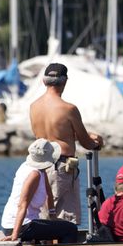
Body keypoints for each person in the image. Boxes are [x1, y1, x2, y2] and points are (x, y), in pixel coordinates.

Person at [30, 63, 103, 225]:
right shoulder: (68, 109)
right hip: (62, 168)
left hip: (39, 166)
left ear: (44, 82)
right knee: (65, 219)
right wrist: (96, 141)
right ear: (64, 82)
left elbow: (50, 137)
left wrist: (74, 137)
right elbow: (86, 143)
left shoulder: (34, 107)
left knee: (45, 214)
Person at [1, 139, 79, 244]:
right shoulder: (34, 174)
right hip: (19, 226)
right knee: (70, 229)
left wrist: (52, 216)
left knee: (61, 226)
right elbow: (22, 205)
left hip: (24, 223)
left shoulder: (37, 169)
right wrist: (15, 235)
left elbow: (48, 192)